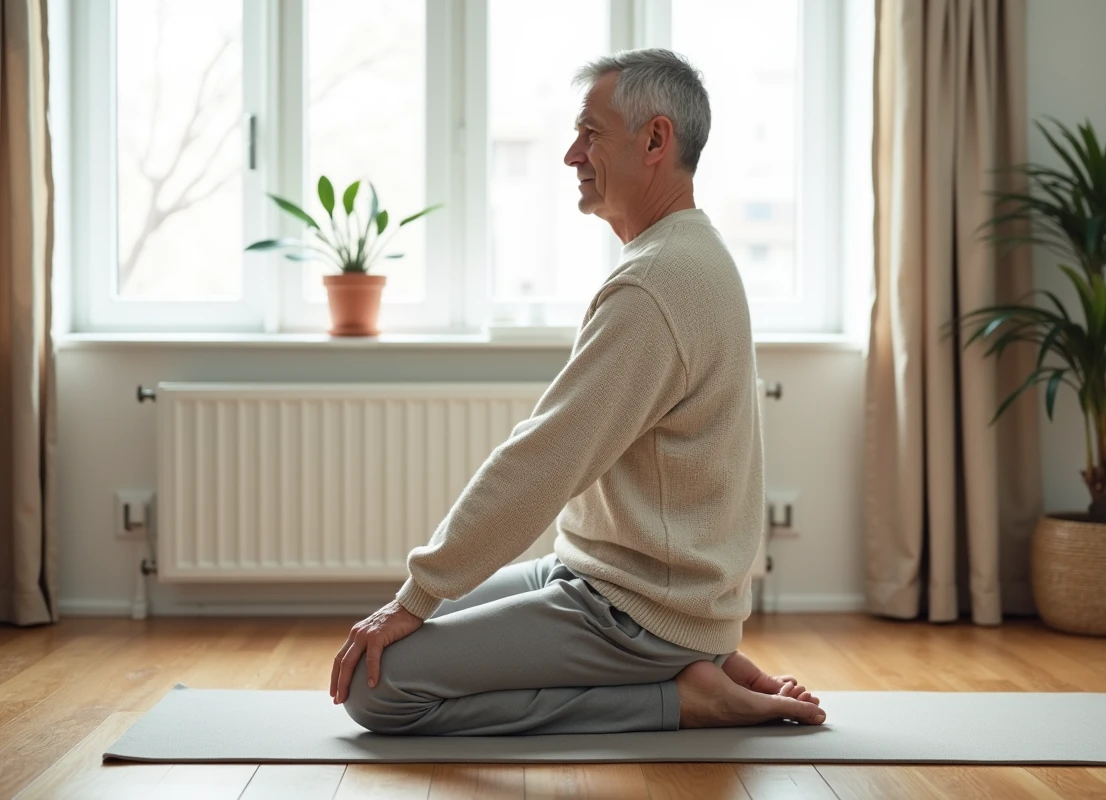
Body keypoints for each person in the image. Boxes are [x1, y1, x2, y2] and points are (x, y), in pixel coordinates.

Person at [329, 48, 826, 735]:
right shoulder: (687, 254)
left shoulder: (656, 284)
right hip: (605, 579)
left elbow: (545, 459)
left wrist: (418, 595)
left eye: (589, 133)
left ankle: (681, 697)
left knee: (373, 688)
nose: (571, 154)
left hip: (636, 613)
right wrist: (423, 598)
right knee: (394, 644)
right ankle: (700, 662)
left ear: (655, 140)